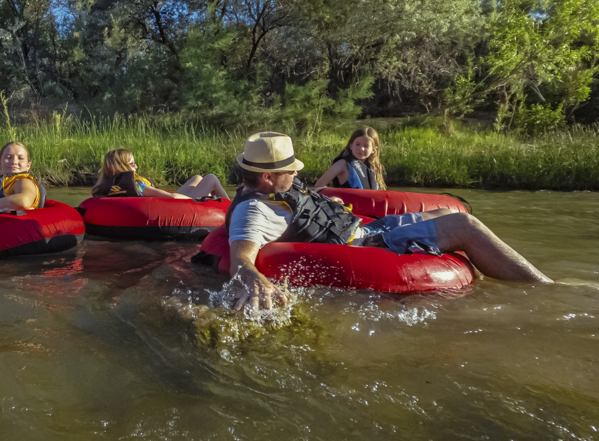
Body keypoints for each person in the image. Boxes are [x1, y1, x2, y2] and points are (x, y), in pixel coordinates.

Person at [226, 131, 551, 309]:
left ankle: (511, 273)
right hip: (364, 245)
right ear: (267, 177)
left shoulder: (277, 188)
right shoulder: (254, 210)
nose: (297, 171)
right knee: (464, 227)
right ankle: (547, 291)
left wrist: (330, 205)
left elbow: (305, 206)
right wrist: (254, 278)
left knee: (449, 212)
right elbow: (241, 255)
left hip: (363, 228)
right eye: (290, 168)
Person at [92, 149, 227, 200]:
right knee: (211, 178)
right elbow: (172, 197)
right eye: (132, 164)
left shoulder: (105, 187)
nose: (136, 166)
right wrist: (198, 199)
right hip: (178, 207)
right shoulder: (137, 185)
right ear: (122, 166)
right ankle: (232, 210)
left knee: (197, 178)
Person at [314, 126, 385, 190]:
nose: (361, 149)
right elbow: (319, 186)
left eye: (366, 146)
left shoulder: (375, 168)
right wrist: (333, 199)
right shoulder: (342, 164)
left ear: (374, 150)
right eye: (357, 144)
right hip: (346, 204)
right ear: (351, 146)